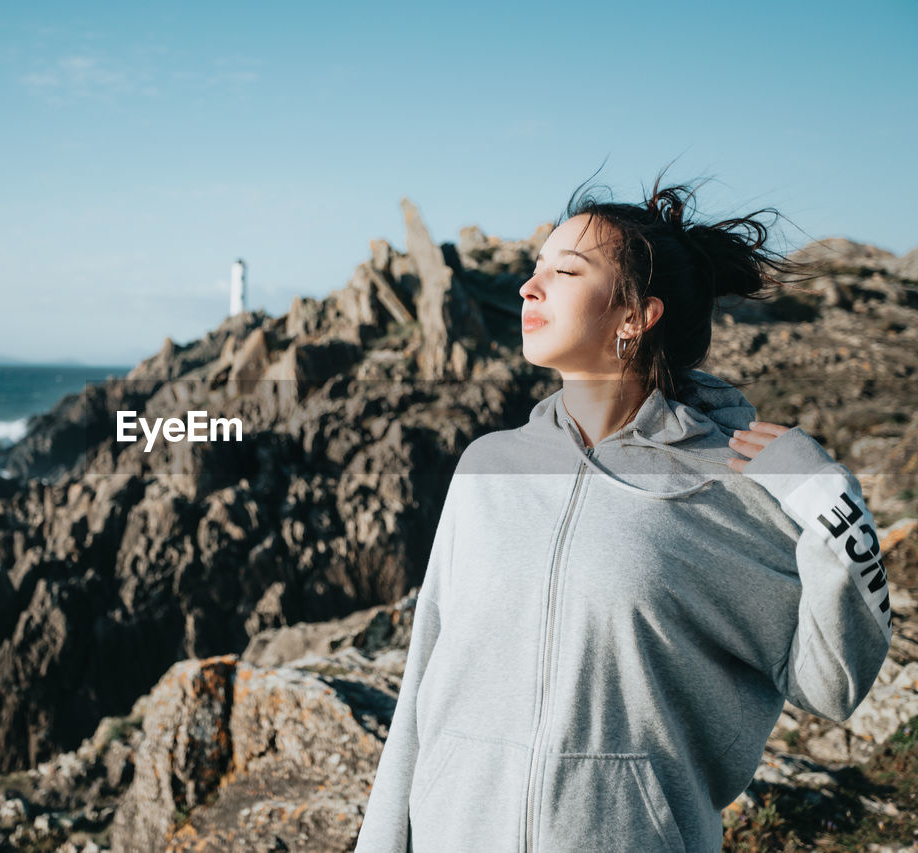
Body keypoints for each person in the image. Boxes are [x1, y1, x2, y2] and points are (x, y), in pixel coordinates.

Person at [352, 172, 894, 852]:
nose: (528, 286)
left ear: (635, 317)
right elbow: (423, 680)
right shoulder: (489, 467)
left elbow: (834, 682)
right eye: (534, 267)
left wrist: (829, 503)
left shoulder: (731, 488)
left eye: (565, 270)